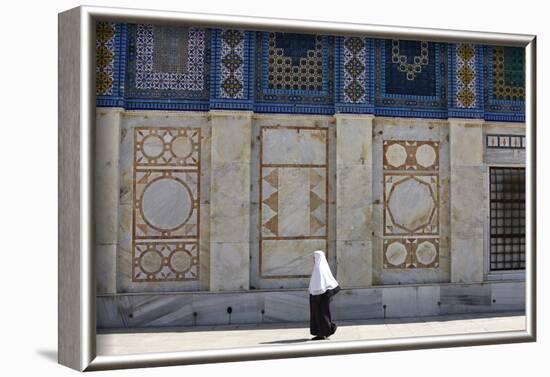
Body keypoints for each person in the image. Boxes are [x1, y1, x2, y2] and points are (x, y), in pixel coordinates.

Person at [308, 250, 341, 340]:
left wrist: (317, 294)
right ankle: (321, 333)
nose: (313, 259)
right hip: (318, 295)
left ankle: (327, 330)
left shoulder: (319, 269)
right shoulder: (319, 267)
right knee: (319, 315)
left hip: (320, 296)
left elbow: (321, 284)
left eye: (314, 257)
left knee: (322, 315)